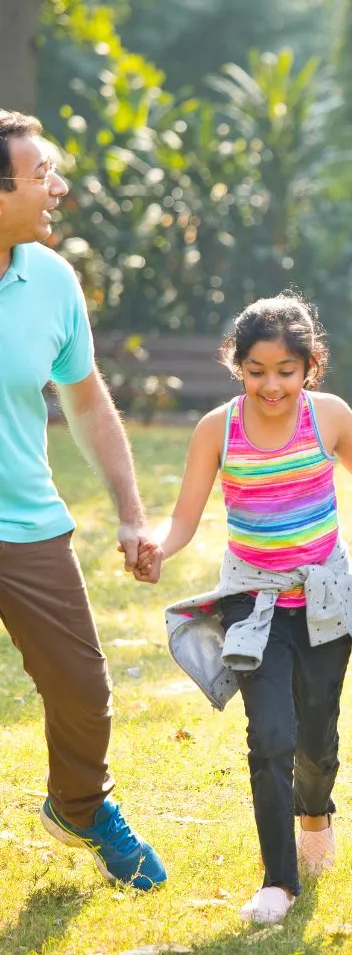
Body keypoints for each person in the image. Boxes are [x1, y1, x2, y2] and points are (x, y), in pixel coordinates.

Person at [134, 293, 352, 925]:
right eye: (256, 371)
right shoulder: (216, 429)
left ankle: (315, 813)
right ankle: (278, 881)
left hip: (325, 603)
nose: (270, 385)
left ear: (311, 366)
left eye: (285, 371)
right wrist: (157, 548)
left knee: (316, 738)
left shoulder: (328, 416)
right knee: (270, 737)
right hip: (253, 604)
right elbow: (186, 517)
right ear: (237, 365)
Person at [0, 110, 166, 890]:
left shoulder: (52, 279)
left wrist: (132, 512)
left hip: (27, 520)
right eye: (42, 177)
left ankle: (78, 805)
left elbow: (89, 403)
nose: (58, 188)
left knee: (84, 691)